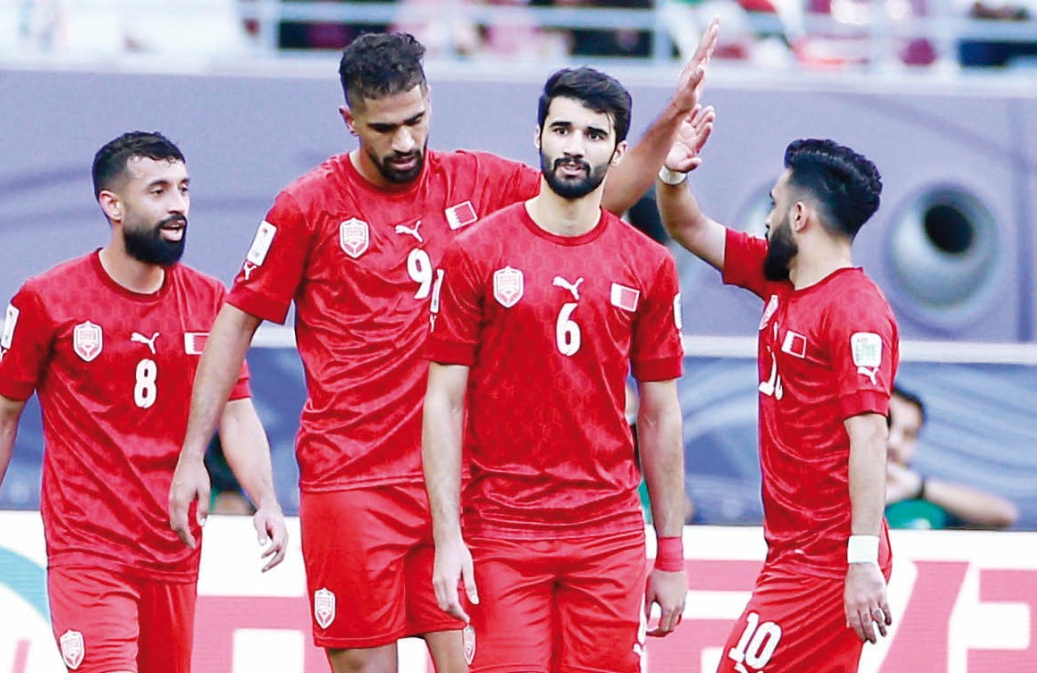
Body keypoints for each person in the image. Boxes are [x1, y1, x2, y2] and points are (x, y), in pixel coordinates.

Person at [170, 23, 719, 673]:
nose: (404, 142)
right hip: (351, 483)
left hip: (458, 489)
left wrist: (669, 120)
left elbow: (603, 191)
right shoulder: (308, 206)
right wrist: (192, 456)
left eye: (416, 120)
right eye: (383, 128)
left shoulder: (478, 183)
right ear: (349, 119)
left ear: (430, 100)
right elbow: (233, 324)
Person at [0, 131, 288, 673]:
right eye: (157, 191)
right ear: (112, 204)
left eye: (183, 189)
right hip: (88, 549)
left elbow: (236, 409)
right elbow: (1, 416)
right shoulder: (48, 299)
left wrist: (266, 498)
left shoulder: (210, 300)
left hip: (175, 545)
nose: (177, 205)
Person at [422, 66, 690, 673]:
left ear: (618, 151)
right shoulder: (475, 253)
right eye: (561, 129)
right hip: (501, 534)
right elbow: (443, 402)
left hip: (609, 535)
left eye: (594, 135)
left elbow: (659, 412)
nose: (574, 146)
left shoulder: (647, 265)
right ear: (538, 137)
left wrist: (669, 551)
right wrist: (447, 539)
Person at [659, 125, 898, 669]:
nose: (765, 219)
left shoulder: (855, 311)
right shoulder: (779, 276)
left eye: (773, 204)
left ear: (798, 218)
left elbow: (870, 435)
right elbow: (688, 225)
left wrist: (860, 562)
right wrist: (673, 172)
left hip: (828, 558)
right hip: (795, 552)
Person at [885, 384, 1018, 529]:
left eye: (908, 434)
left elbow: (1003, 515)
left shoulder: (926, 503)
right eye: (886, 426)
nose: (894, 442)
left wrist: (918, 487)